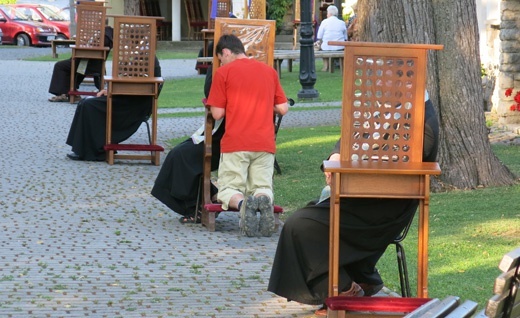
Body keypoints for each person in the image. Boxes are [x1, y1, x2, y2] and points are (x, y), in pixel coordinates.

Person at [268, 95, 439, 316]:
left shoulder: (421, 118)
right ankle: (360, 279)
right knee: (309, 214)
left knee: (299, 226)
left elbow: (397, 168)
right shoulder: (390, 103)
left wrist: (349, 174)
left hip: (383, 208)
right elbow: (355, 134)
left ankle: (346, 288)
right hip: (362, 198)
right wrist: (336, 156)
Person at [206, 34, 289, 237]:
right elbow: (283, 108)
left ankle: (244, 205)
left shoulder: (224, 73)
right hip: (264, 142)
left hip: (236, 142)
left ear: (225, 52)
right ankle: (262, 203)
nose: (221, 62)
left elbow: (217, 114)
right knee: (262, 186)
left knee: (228, 188)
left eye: (220, 58)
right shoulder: (269, 72)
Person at [151, 65, 225, 224]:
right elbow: (209, 93)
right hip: (220, 131)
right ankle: (204, 199)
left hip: (229, 139)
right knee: (178, 153)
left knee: (182, 156)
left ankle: (197, 205)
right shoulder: (222, 69)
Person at [65, 57, 162, 161]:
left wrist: (113, 90)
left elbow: (140, 85)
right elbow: (125, 78)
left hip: (132, 105)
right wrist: (110, 90)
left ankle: (97, 151)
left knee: (89, 105)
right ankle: (80, 148)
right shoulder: (136, 55)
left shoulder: (150, 60)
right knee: (84, 102)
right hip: (125, 98)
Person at [48, 25, 114, 103]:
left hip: (89, 64)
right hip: (89, 62)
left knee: (60, 66)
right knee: (64, 65)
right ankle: (66, 93)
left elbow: (95, 48)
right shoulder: (105, 35)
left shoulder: (105, 36)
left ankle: (63, 93)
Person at [315, 5, 347, 72]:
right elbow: (345, 37)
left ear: (329, 13)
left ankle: (326, 66)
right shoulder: (342, 23)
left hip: (326, 48)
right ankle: (342, 67)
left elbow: (319, 36)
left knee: (322, 46)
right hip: (339, 48)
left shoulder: (324, 22)